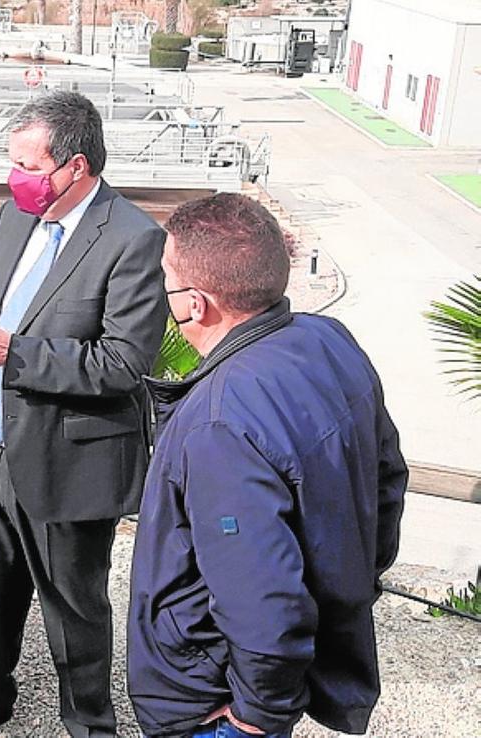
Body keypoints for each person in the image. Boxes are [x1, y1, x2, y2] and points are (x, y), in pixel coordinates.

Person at [0, 90, 169, 738]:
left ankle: (89, 723)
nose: (15, 178)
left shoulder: (135, 239)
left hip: (69, 459)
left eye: (28, 166)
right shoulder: (12, 217)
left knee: (75, 609)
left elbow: (123, 362)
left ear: (75, 166)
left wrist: (15, 353)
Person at [127, 193, 407, 738]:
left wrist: (257, 713)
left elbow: (261, 592)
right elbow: (388, 479)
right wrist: (351, 586)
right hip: (281, 662)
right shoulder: (328, 339)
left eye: (165, 280)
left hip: (215, 697)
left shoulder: (218, 421)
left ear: (195, 305)